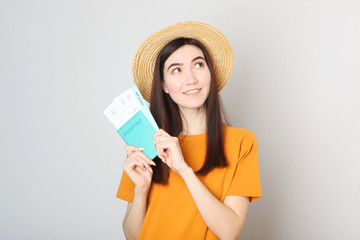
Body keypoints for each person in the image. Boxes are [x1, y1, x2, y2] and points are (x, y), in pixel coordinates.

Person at [116, 21, 262, 240]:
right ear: (164, 85)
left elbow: (229, 231)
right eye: (176, 70)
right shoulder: (148, 142)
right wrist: (140, 190)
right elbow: (132, 235)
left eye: (199, 65)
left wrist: (184, 170)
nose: (191, 79)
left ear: (210, 73)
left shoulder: (242, 142)